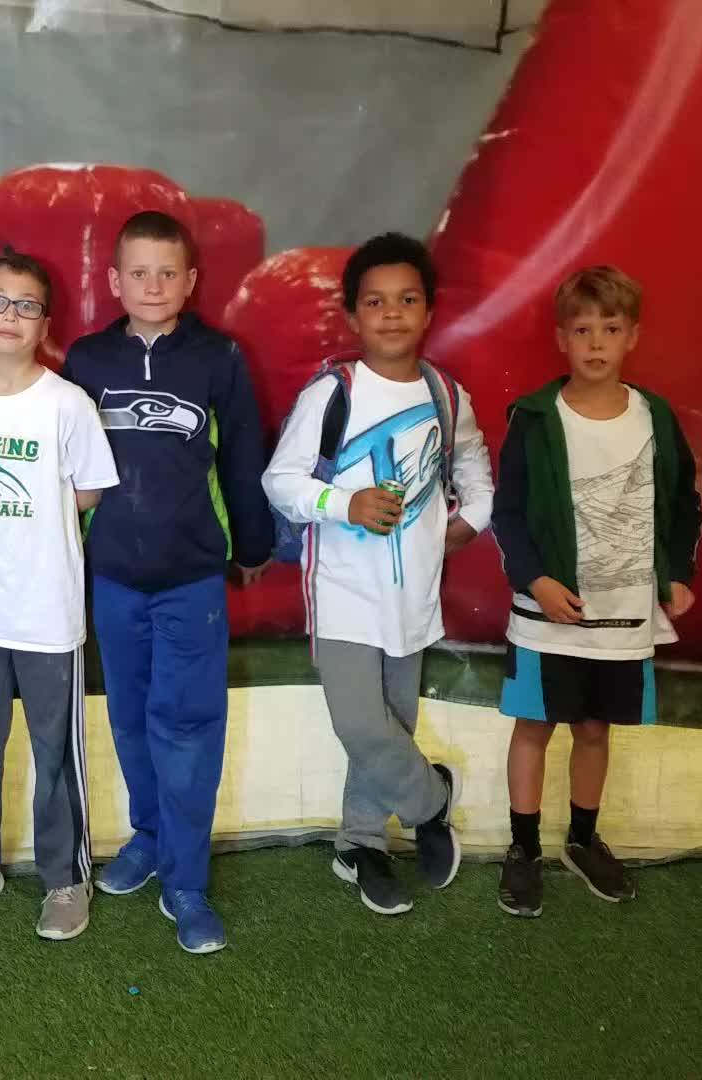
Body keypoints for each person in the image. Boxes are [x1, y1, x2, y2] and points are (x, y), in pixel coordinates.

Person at [61, 211, 274, 954]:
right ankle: (148, 836)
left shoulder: (218, 357)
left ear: (190, 281)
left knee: (185, 726)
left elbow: (242, 453)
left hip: (191, 579)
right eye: (138, 273)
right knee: (129, 717)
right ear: (114, 281)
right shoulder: (86, 360)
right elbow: (60, 464)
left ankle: (186, 881)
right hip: (113, 575)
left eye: (167, 273)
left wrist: (253, 540)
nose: (153, 286)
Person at [263, 232, 493, 916]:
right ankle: (432, 800)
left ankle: (360, 845)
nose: (392, 313)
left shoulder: (445, 394)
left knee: (394, 719)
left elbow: (474, 465)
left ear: (429, 311)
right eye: (375, 301)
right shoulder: (334, 393)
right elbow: (281, 481)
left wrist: (468, 521)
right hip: (341, 593)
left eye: (407, 300)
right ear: (352, 315)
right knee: (363, 726)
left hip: (413, 595)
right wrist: (345, 503)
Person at [489, 265, 702, 918]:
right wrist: (537, 580)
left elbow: (684, 503)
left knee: (593, 729)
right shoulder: (534, 418)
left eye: (610, 328)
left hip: (621, 618)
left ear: (632, 335)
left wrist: (677, 572)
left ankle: (582, 840)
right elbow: (508, 514)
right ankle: (524, 848)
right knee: (534, 726)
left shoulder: (654, 417)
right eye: (582, 330)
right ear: (562, 339)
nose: (596, 343)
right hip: (546, 617)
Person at [0, 253, 119, 941]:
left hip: (47, 612)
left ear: (44, 323)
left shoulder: (67, 404)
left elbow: (87, 492)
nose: (11, 315)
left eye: (27, 305)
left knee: (54, 752)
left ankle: (64, 877)